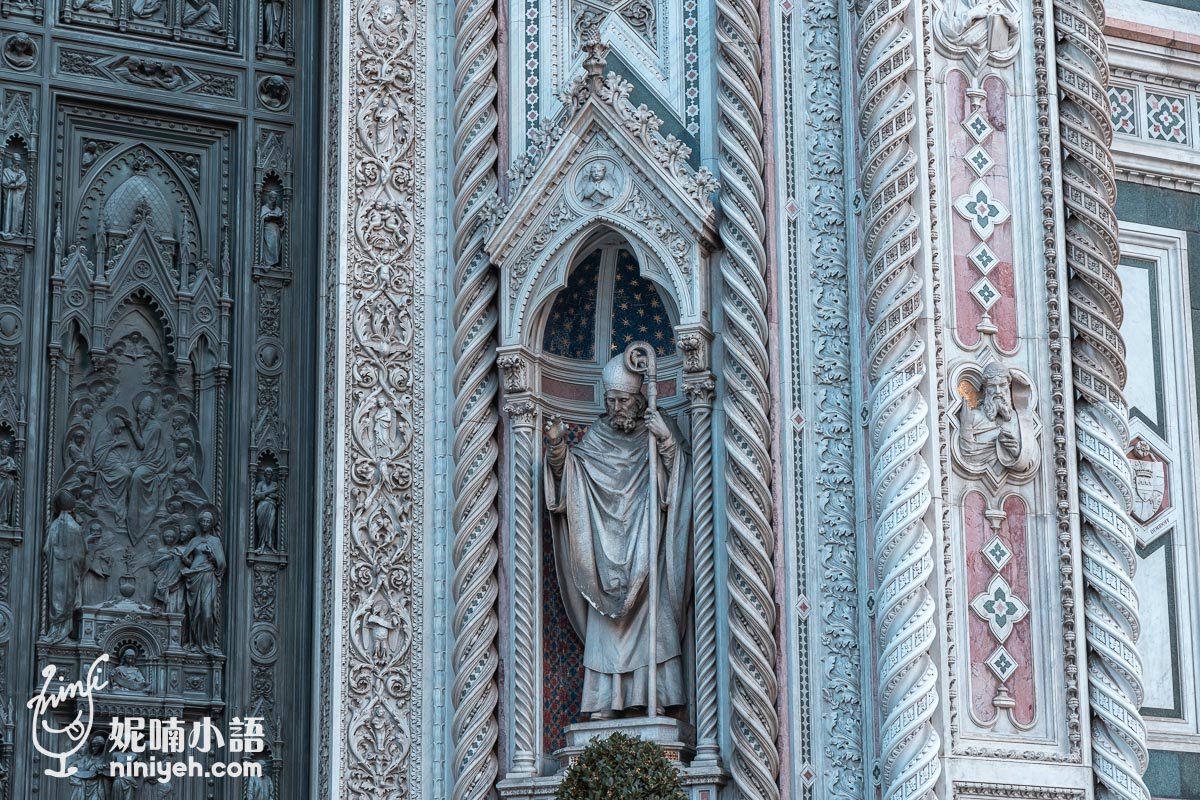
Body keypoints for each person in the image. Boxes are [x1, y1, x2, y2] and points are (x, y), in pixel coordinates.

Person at [544, 350, 692, 718]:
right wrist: (558, 448)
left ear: (639, 399)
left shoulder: (659, 428)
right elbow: (572, 480)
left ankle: (653, 696)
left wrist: (668, 444)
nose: (616, 408)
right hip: (605, 550)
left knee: (654, 624)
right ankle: (604, 702)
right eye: (611, 401)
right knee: (606, 624)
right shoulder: (597, 437)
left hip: (649, 547)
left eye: (623, 400)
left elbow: (684, 486)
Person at [182, 509, 226, 653]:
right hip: (194, 577)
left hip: (207, 576)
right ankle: (195, 643)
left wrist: (212, 556)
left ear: (212, 523)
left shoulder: (215, 541)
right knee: (194, 612)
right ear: (199, 523)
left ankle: (207, 644)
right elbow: (189, 560)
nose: (205, 524)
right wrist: (185, 560)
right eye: (203, 521)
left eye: (208, 521)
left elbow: (222, 563)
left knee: (206, 611)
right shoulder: (194, 541)